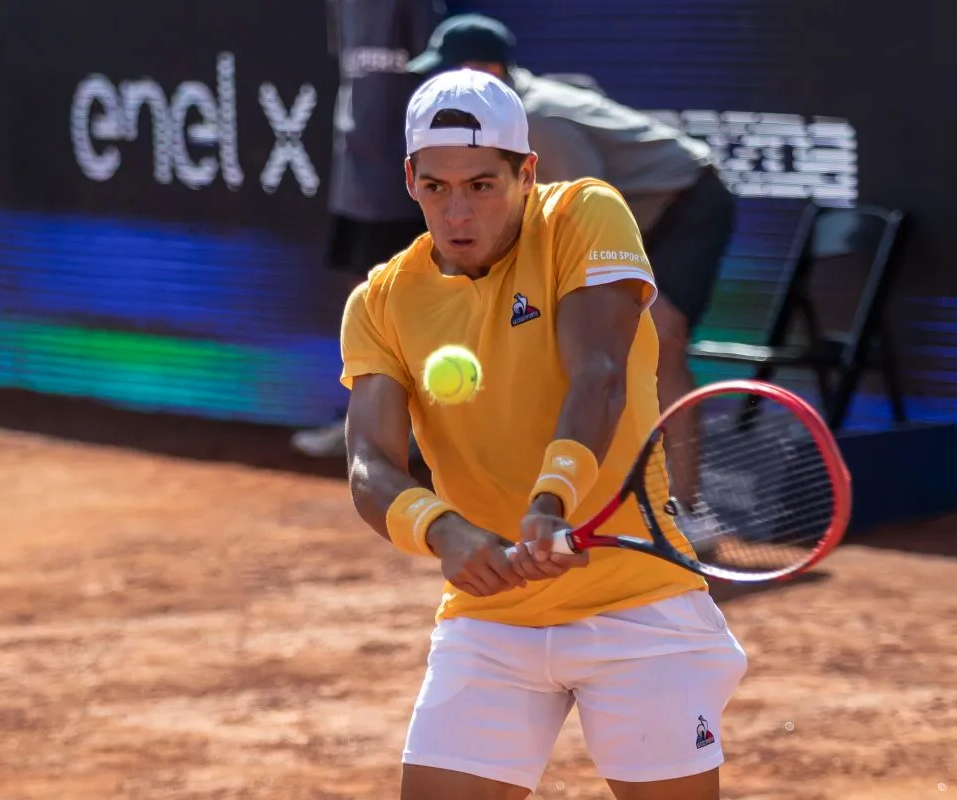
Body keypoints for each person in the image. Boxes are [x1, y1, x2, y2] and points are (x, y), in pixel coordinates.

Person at [341, 68, 747, 799]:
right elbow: (370, 464)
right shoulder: (381, 300)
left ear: (526, 172)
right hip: (491, 620)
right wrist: (445, 532)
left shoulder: (586, 214)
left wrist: (550, 502)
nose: (458, 210)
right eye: (436, 187)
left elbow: (598, 373)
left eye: (481, 185)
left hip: (638, 605)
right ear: (409, 180)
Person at [405, 14, 738, 506]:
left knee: (661, 340)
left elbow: (594, 207)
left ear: (490, 71)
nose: (439, 85)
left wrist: (628, 289)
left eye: (451, 71)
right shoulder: (500, 128)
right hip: (638, 209)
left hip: (685, 203)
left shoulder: (539, 122)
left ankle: (687, 508)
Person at [292, 0, 446, 461]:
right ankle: (361, 423)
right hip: (354, 179)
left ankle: (426, 430)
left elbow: (433, 81)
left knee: (415, 304)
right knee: (363, 305)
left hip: (403, 186)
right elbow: (348, 69)